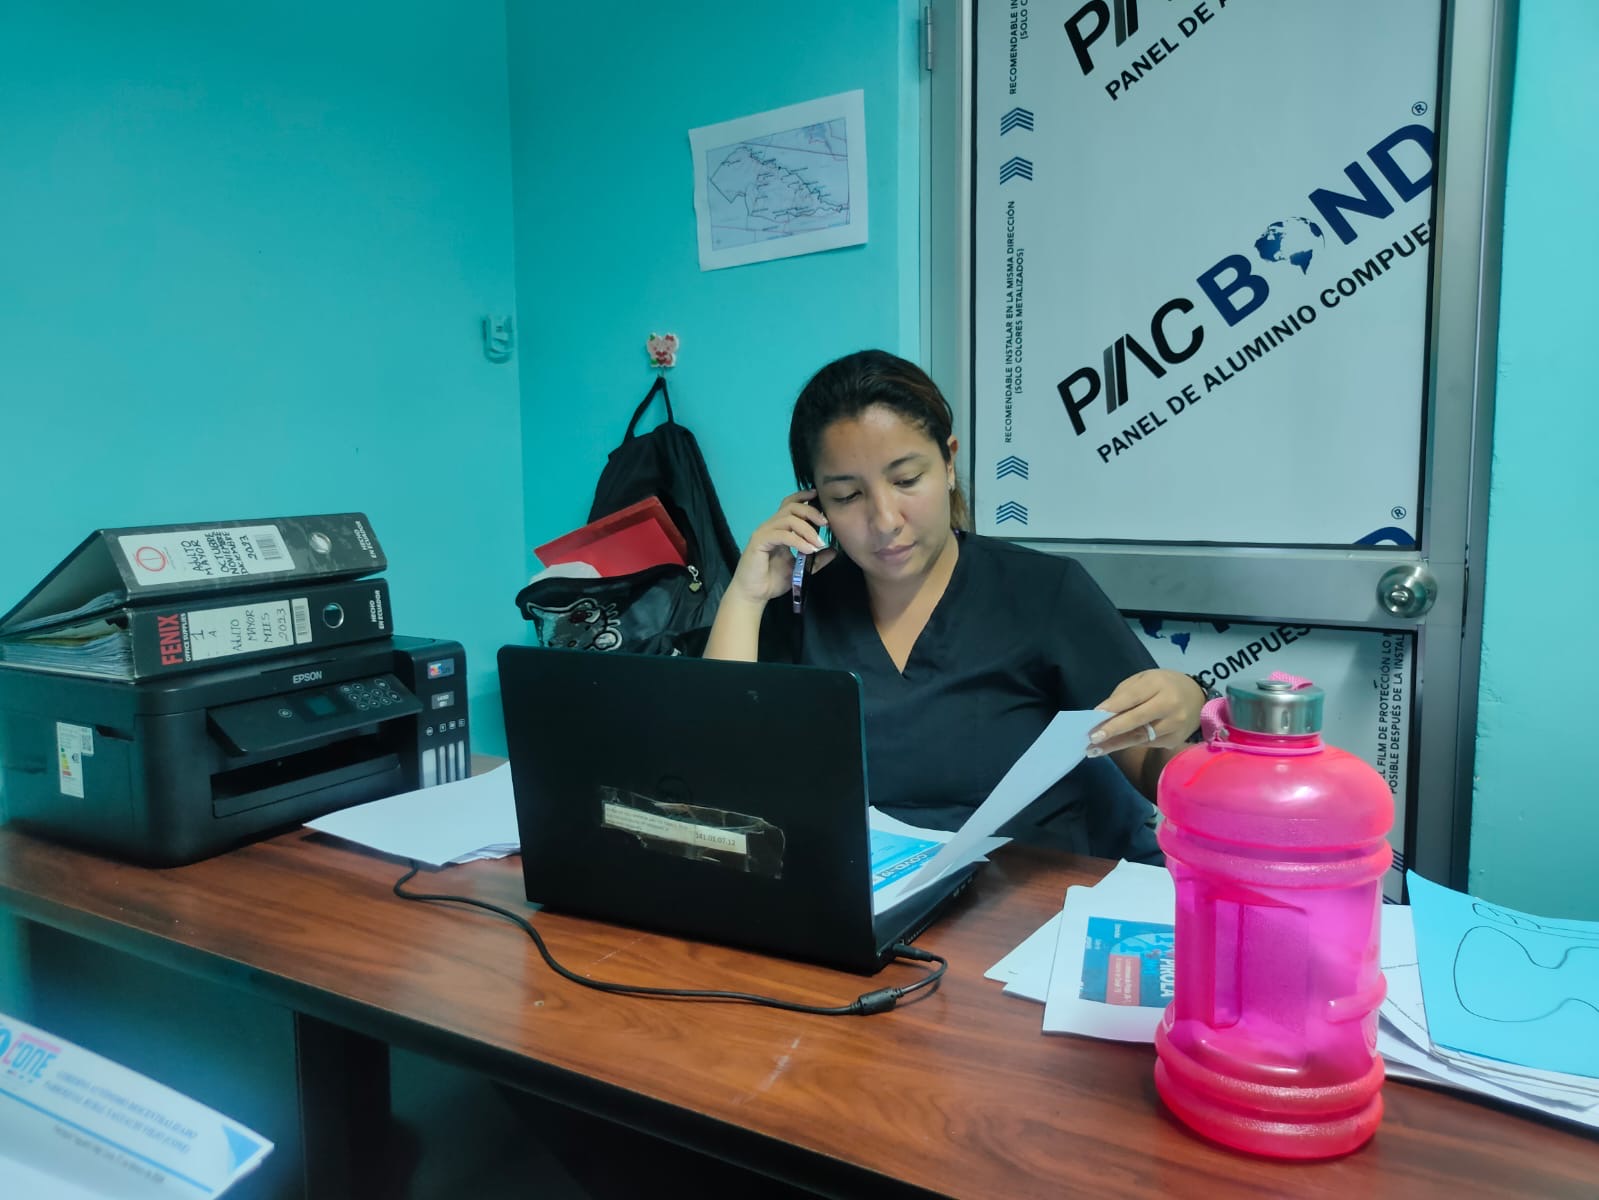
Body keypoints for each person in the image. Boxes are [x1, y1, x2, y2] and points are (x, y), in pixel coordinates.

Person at [705, 349, 1206, 860]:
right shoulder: (803, 605)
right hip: (880, 892)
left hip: (1045, 889)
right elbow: (719, 778)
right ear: (815, 505)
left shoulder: (1043, 592)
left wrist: (1187, 715)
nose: (885, 521)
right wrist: (745, 596)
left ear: (948, 462)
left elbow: (1152, 766)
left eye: (906, 480)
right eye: (848, 496)